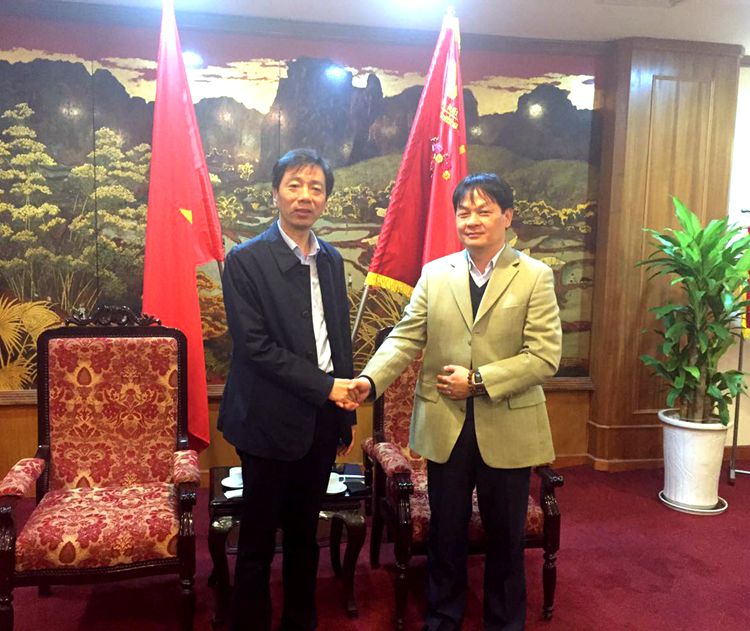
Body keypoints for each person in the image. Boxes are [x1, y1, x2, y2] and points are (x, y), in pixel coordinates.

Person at [349, 172, 562, 630]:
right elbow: (405, 337)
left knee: (505, 537)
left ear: (507, 216)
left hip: (507, 425)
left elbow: (544, 357)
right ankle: (443, 617)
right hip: (445, 424)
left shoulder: (534, 276)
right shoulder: (435, 273)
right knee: (446, 532)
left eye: (484, 211)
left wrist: (479, 381)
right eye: (464, 212)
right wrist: (370, 380)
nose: (472, 220)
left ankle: (505, 622)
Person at [218, 148, 358, 631]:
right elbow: (255, 348)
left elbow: (338, 339)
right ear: (275, 193)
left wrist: (344, 414)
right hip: (265, 420)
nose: (305, 196)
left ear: (326, 198)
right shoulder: (245, 260)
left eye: (316, 187)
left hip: (321, 419)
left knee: (304, 534)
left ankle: (301, 620)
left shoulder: (332, 259)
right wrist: (327, 388)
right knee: (258, 538)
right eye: (294, 185)